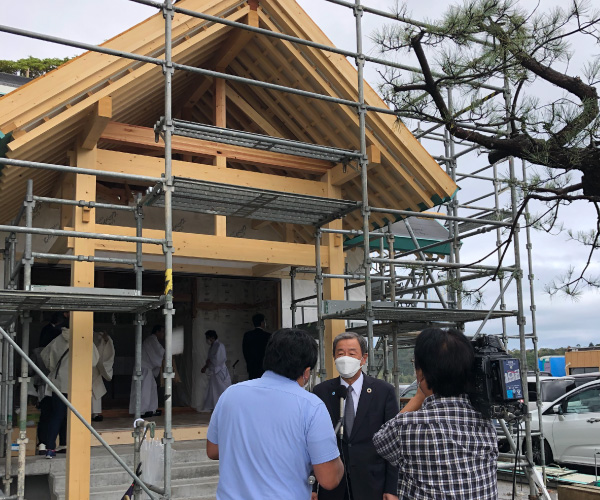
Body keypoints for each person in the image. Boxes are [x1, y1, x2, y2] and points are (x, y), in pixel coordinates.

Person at [206, 328, 344, 500]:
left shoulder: (230, 394)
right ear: (307, 372)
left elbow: (212, 450)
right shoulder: (311, 406)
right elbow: (329, 479)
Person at [373, 328, 499, 500]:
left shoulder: (407, 428)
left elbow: (380, 441)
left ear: (420, 374)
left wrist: (419, 396)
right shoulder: (486, 424)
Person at [312, 332, 399, 500]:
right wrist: (314, 485)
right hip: (332, 485)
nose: (346, 358)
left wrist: (392, 488)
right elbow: (313, 441)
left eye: (352, 353)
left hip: (372, 484)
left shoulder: (383, 391)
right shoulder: (321, 392)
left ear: (363, 358)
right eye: (340, 353)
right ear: (334, 358)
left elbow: (393, 442)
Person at [40, 327, 99, 459]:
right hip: (78, 383)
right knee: (76, 416)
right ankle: (72, 446)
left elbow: (45, 355)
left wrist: (55, 368)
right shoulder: (85, 339)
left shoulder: (59, 340)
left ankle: (50, 448)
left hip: (60, 383)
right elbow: (94, 361)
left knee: (57, 415)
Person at [129, 324, 165, 418]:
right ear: (157, 332)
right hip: (143, 369)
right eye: (162, 331)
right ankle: (141, 411)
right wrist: (168, 354)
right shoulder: (152, 340)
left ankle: (151, 409)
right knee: (144, 390)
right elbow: (160, 352)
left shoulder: (153, 340)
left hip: (147, 369)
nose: (163, 334)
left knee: (151, 389)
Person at [201, 330, 231, 411]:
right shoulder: (213, 346)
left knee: (222, 389)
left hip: (219, 371)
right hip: (214, 371)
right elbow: (210, 359)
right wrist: (206, 366)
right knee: (214, 390)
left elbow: (219, 359)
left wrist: (208, 364)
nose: (207, 340)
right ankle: (215, 406)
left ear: (212, 337)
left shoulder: (219, 346)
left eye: (207, 338)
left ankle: (225, 405)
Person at [91, 331, 115, 422]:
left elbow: (102, 349)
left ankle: (95, 414)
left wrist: (105, 340)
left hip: (94, 367)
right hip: (82, 367)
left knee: (95, 391)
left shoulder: (97, 336)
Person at [242, 313, 270, 380]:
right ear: (262, 323)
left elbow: (245, 351)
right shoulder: (268, 336)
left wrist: (249, 362)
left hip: (252, 366)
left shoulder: (247, 335)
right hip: (264, 367)